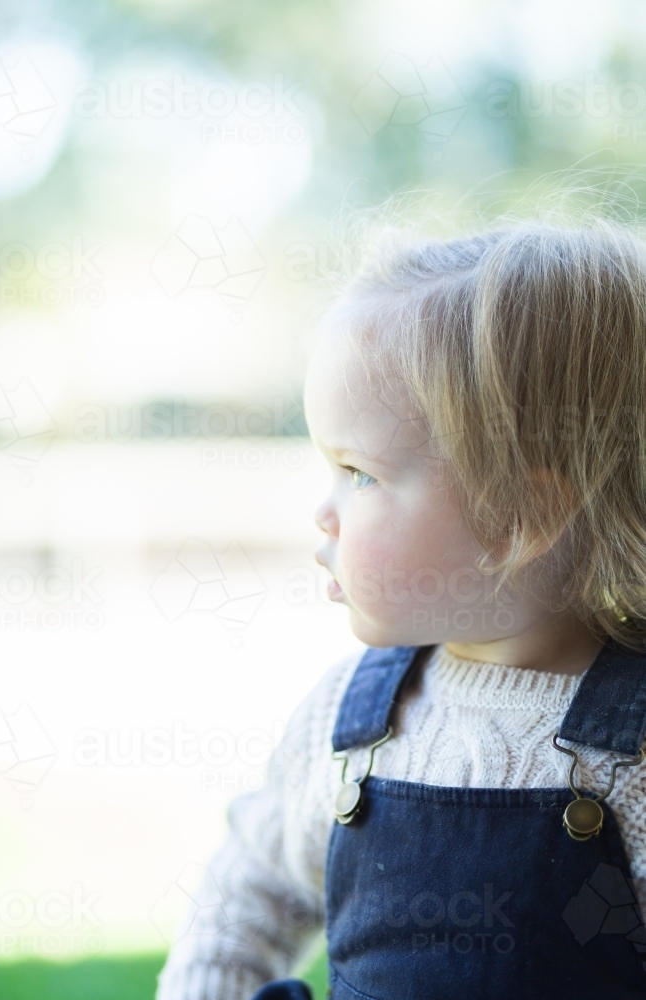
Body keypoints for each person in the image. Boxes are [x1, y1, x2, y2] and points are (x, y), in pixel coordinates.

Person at [156, 221, 646, 999]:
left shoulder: (630, 757)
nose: (323, 513)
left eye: (358, 473)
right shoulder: (348, 721)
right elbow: (247, 888)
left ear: (520, 515)